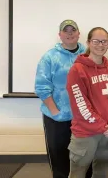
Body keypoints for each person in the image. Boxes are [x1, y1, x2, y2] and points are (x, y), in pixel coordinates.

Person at [35, 20, 92, 178]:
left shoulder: (87, 54)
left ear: (79, 33)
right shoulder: (49, 57)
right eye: (65, 31)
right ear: (60, 35)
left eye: (72, 30)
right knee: (60, 160)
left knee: (84, 159)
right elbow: (41, 87)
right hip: (57, 117)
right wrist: (55, 112)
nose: (69, 33)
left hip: (83, 117)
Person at [66, 27, 108, 178]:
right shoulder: (77, 70)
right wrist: (102, 126)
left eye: (104, 41)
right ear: (88, 42)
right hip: (86, 134)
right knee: (77, 173)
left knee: (105, 172)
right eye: (96, 41)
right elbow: (80, 104)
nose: (100, 45)